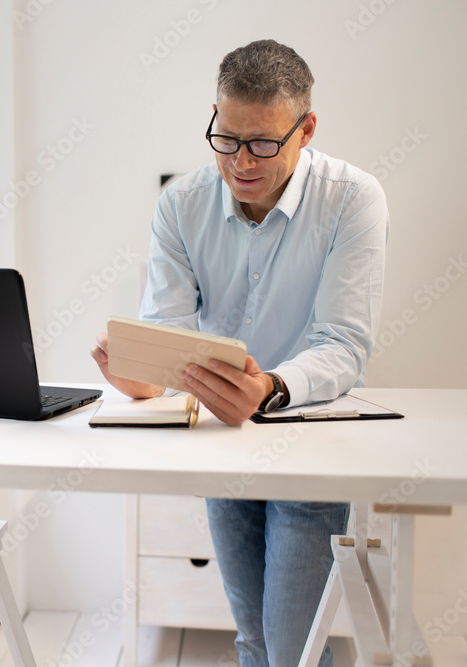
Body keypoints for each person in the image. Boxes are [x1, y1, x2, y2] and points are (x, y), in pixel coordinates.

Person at [91, 40, 388, 667]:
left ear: (305, 130)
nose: (240, 161)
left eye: (262, 143)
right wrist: (145, 377)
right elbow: (166, 331)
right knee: (252, 641)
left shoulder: (353, 200)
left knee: (291, 651)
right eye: (226, 139)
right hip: (221, 444)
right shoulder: (182, 204)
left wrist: (270, 387)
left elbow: (344, 345)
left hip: (309, 442)